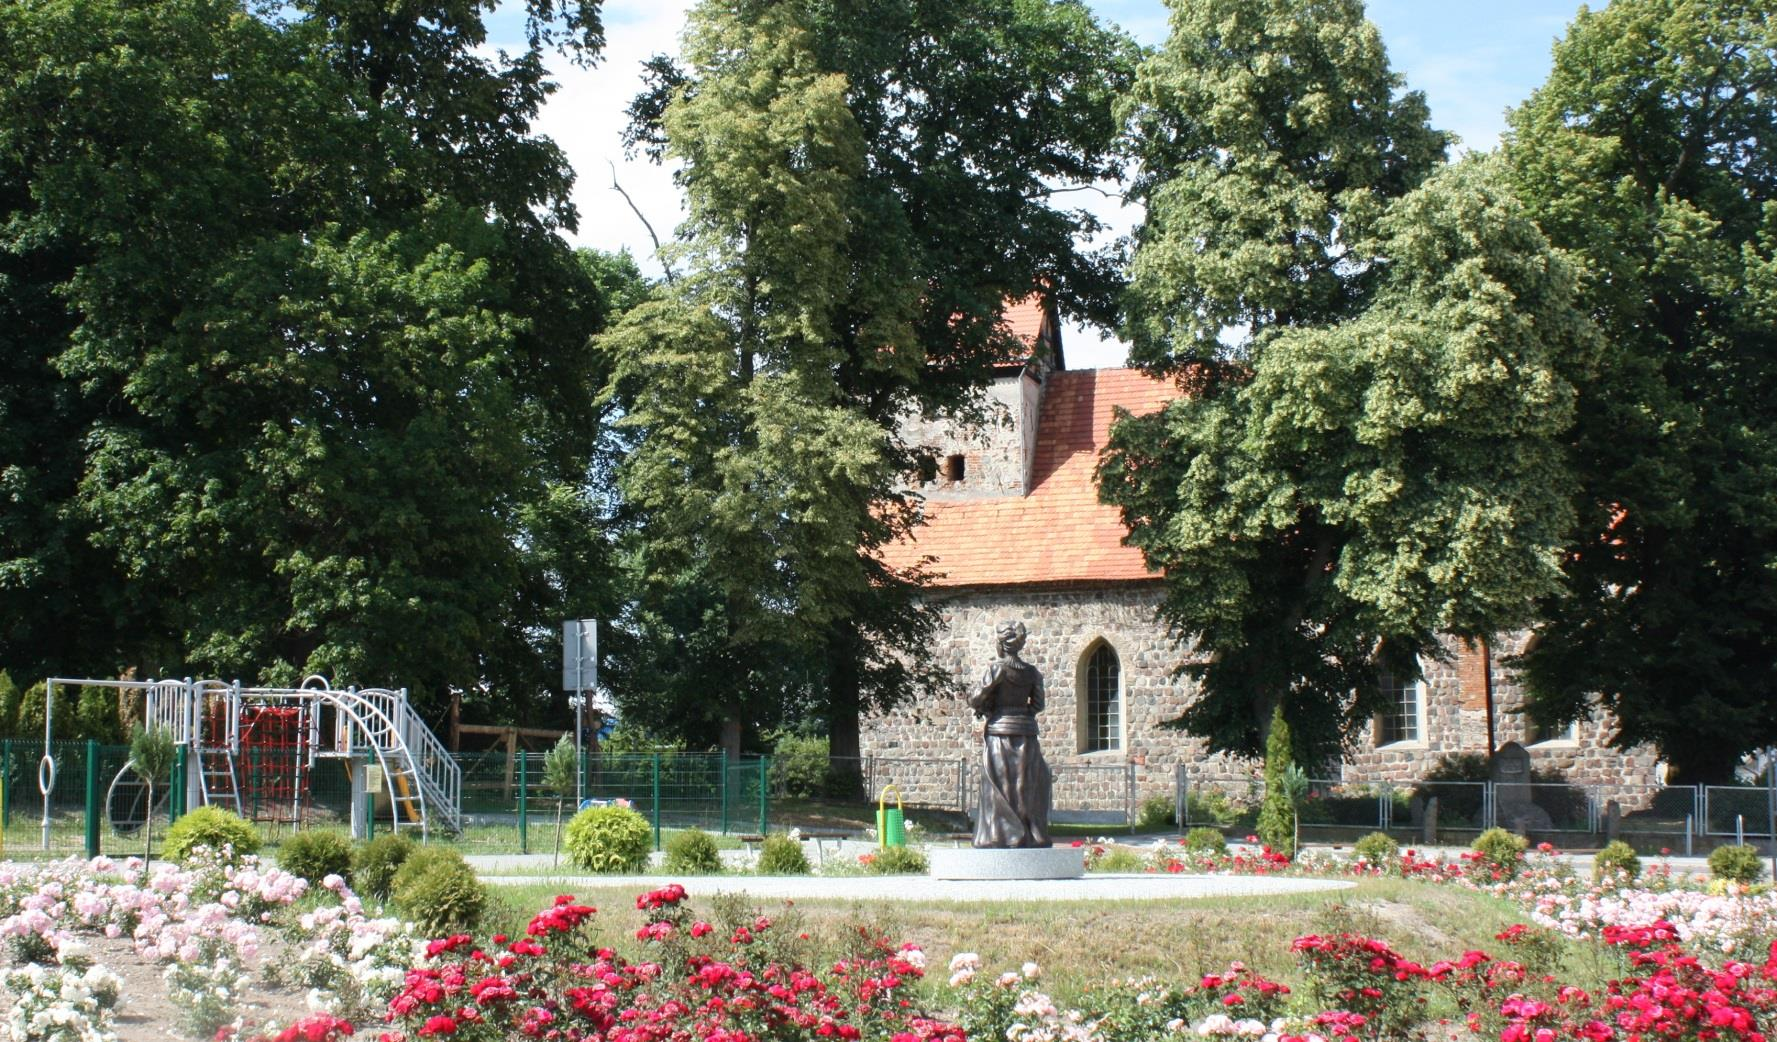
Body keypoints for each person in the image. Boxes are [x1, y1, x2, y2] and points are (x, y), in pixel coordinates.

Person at [969, 620, 1052, 848]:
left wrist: (988, 709)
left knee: (1001, 785)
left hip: (1000, 733)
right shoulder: (1032, 673)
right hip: (1026, 733)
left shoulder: (997, 669)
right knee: (1024, 785)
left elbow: (976, 698)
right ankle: (1030, 834)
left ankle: (1000, 836)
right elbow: (1038, 705)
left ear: (1001, 643)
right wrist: (1023, 714)